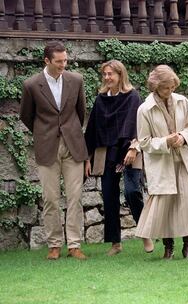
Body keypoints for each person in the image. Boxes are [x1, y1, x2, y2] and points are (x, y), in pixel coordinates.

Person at [20, 41, 88, 260]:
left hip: (73, 146)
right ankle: (54, 245)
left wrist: (72, 132)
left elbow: (81, 111)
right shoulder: (31, 85)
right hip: (46, 146)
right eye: (59, 61)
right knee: (50, 198)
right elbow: (26, 116)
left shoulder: (76, 80)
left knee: (75, 197)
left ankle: (75, 245)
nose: (63, 65)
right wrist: (43, 134)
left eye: (65, 60)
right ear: (47, 61)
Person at [84, 60, 153, 256]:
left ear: (120, 75)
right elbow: (92, 130)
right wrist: (87, 158)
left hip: (130, 150)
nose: (107, 77)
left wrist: (133, 148)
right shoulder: (100, 100)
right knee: (109, 196)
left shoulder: (132, 97)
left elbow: (138, 125)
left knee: (132, 192)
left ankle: (145, 233)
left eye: (110, 74)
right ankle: (115, 243)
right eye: (104, 74)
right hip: (107, 153)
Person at [135, 65, 188, 260]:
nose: (171, 91)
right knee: (165, 206)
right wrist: (165, 141)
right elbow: (144, 142)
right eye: (166, 88)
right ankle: (168, 248)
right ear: (156, 86)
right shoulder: (144, 109)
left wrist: (182, 137)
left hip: (184, 160)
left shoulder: (182, 101)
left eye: (173, 87)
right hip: (161, 163)